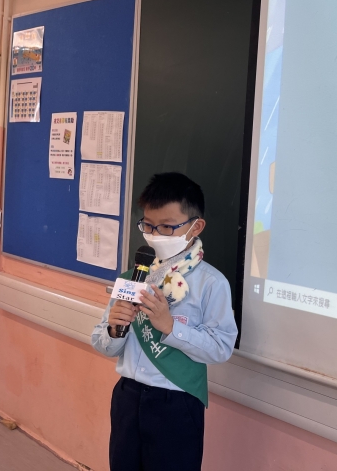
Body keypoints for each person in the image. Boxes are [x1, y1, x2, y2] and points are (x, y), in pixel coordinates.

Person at [91, 172, 238, 471]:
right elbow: (103, 345)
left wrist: (170, 327)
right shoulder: (132, 278)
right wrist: (114, 330)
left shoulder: (211, 284)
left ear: (196, 226)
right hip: (127, 396)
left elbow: (221, 348)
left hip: (177, 403)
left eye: (167, 227)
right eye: (148, 225)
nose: (155, 234)